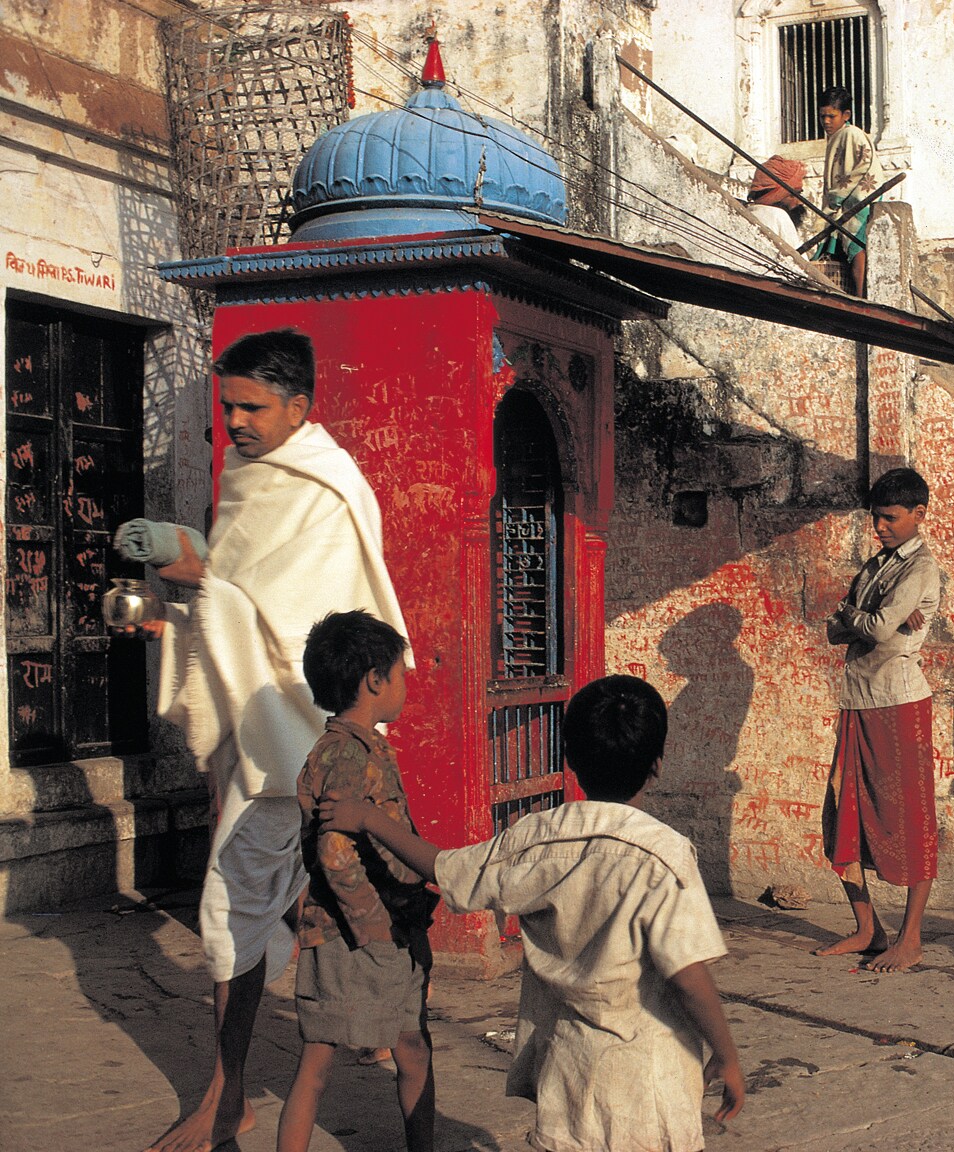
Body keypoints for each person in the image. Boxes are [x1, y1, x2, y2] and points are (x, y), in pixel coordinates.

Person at [143, 329, 408, 1152]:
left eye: (251, 407)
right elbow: (240, 596)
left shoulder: (326, 490)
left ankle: (230, 1101)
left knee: (251, 911)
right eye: (226, 407)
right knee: (274, 909)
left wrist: (199, 578)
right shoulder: (245, 478)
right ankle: (243, 1094)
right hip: (262, 740)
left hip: (303, 738)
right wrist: (184, 606)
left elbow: (306, 627)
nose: (235, 423)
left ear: (300, 406)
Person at [319, 675, 745, 1150]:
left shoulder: (537, 836)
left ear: (571, 761)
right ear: (657, 765)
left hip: (567, 1069)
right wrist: (726, 1054)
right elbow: (687, 974)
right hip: (648, 1080)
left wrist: (369, 818)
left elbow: (445, 867)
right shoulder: (664, 856)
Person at [281, 611, 436, 1152]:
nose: (404, 685)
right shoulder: (346, 752)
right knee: (319, 1063)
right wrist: (373, 929)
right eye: (399, 673)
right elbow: (335, 851)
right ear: (374, 679)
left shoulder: (359, 744)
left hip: (388, 928)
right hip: (358, 938)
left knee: (412, 1048)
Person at [813, 467, 942, 972]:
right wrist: (865, 618)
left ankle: (910, 938)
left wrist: (862, 617)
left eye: (890, 518)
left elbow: (880, 630)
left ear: (918, 515)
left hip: (898, 703)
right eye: (876, 518)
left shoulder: (921, 570)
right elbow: (838, 630)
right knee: (841, 811)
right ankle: (869, 928)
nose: (880, 527)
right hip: (858, 700)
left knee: (908, 818)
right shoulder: (875, 568)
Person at [812, 86, 878, 295]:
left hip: (858, 197)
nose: (826, 121)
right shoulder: (836, 137)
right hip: (844, 198)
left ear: (846, 115)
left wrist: (838, 195)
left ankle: (859, 295)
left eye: (832, 116)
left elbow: (866, 164)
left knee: (856, 245)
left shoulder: (852, 134)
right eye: (823, 116)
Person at [745, 155, 807, 249]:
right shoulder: (778, 215)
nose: (799, 202)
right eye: (793, 195)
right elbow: (798, 260)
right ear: (777, 196)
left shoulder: (748, 212)